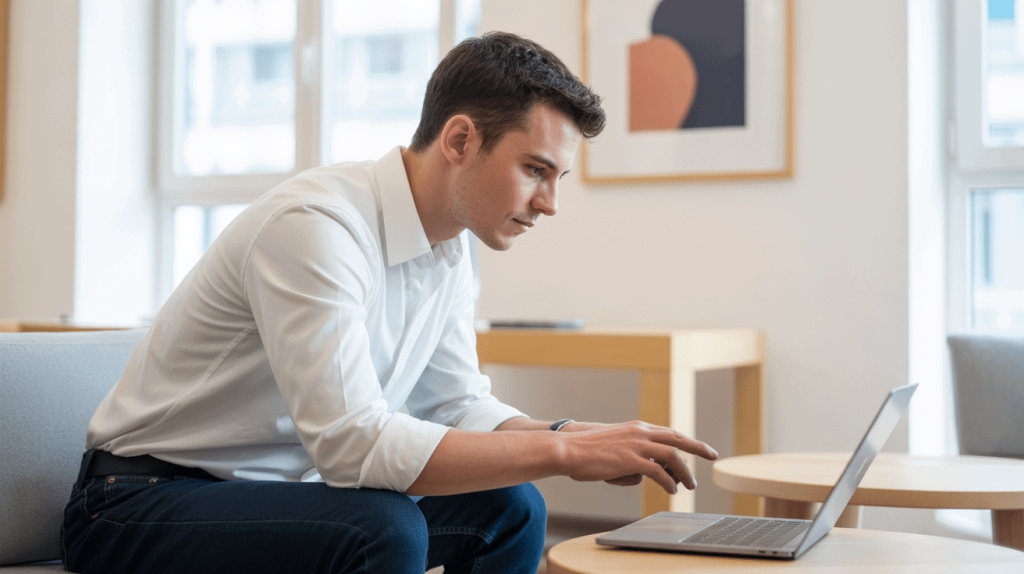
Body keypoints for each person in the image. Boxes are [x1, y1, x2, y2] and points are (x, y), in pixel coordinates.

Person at [61, 31, 718, 574]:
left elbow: (456, 405)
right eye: (535, 170)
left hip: (277, 495)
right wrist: (564, 456)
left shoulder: (447, 249)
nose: (549, 203)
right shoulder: (316, 226)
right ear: (459, 141)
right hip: (136, 503)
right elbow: (351, 446)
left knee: (513, 508)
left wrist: (569, 436)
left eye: (557, 178)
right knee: (384, 527)